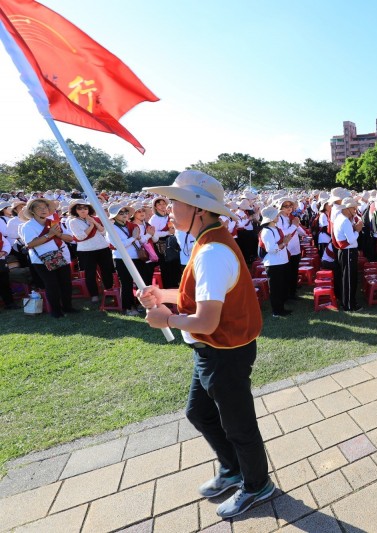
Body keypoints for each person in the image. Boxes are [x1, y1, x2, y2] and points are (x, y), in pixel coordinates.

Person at [138, 170, 273, 518]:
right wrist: (162, 295)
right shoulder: (209, 241)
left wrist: (165, 318)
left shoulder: (211, 251)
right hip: (213, 350)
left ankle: (257, 484)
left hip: (223, 351)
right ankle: (233, 469)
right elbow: (199, 297)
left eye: (175, 202)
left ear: (198, 208)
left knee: (238, 424)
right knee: (198, 411)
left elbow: (207, 321)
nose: (168, 208)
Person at [20, 198, 77, 318]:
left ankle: (68, 307)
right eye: (38, 208)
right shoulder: (28, 226)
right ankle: (55, 311)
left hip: (59, 255)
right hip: (41, 260)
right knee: (52, 285)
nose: (43, 210)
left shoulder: (54, 222)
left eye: (45, 207)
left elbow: (70, 238)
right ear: (32, 211)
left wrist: (58, 234)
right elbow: (30, 244)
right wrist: (49, 234)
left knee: (66, 283)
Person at [67, 199, 114, 303]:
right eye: (80, 208)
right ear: (75, 210)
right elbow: (80, 236)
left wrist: (94, 222)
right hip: (86, 251)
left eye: (85, 208)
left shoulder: (95, 218)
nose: (83, 210)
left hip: (102, 247)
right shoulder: (73, 221)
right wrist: (92, 225)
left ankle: (109, 291)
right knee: (90, 274)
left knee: (107, 270)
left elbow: (103, 231)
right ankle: (94, 295)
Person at [106, 204, 146, 316]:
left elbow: (139, 240)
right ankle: (127, 307)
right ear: (114, 216)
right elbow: (119, 245)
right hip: (121, 258)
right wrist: (133, 237)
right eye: (121, 213)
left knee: (140, 282)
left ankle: (139, 304)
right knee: (127, 283)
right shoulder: (111, 228)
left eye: (126, 212)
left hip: (136, 257)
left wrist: (138, 238)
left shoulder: (132, 225)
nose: (124, 214)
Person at [259, 206, 292, 317]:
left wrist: (284, 241)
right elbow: (271, 249)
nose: (278, 217)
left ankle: (281, 308)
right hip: (273, 263)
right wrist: (285, 242)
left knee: (281, 286)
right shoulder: (266, 231)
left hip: (281, 261)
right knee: (275, 288)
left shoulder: (275, 229)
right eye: (276, 216)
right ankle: (277, 311)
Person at [332, 197, 363, 311]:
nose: (356, 210)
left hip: (346, 251)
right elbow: (351, 239)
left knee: (347, 278)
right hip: (348, 251)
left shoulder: (342, 218)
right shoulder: (344, 220)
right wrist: (357, 230)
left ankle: (347, 302)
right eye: (354, 208)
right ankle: (349, 305)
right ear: (347, 208)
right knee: (349, 279)